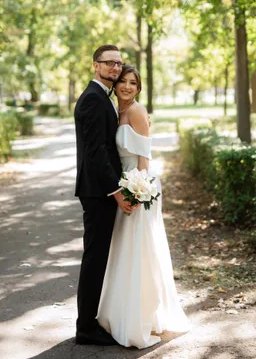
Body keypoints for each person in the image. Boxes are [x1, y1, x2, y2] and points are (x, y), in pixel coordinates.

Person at [97, 64, 190, 349]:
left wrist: (138, 192)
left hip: (139, 185)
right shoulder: (117, 110)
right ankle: (122, 313)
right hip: (125, 183)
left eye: (133, 83)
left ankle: (142, 318)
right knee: (126, 250)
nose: (126, 86)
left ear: (139, 88)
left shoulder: (136, 111)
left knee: (140, 251)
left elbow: (144, 159)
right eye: (123, 81)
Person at [74, 45, 139, 346]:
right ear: (95, 65)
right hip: (98, 192)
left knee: (99, 257)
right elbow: (95, 151)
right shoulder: (91, 99)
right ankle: (86, 328)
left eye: (118, 63)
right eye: (109, 63)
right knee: (95, 259)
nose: (115, 68)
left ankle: (91, 321)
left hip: (103, 189)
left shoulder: (104, 97)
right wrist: (115, 191)